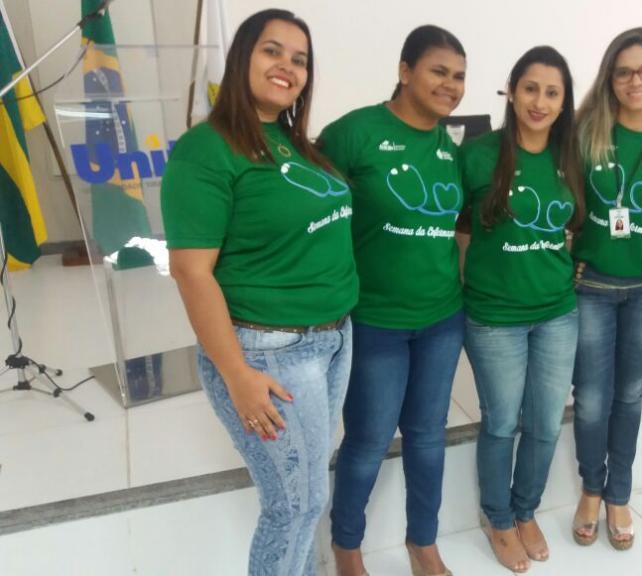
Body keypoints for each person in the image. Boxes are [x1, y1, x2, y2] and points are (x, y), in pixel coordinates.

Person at [162, 9, 356, 576]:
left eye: (299, 59)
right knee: (294, 506)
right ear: (242, 57)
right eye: (272, 51)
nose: (287, 66)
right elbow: (191, 272)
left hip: (332, 339)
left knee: (307, 498)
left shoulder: (294, 142)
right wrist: (236, 374)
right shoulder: (207, 149)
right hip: (270, 352)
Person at [319, 25, 466, 576]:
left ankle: (422, 543)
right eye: (438, 71)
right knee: (369, 439)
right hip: (375, 320)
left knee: (428, 437)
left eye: (459, 77)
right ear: (405, 71)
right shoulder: (353, 134)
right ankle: (347, 547)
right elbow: (311, 212)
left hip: (442, 319)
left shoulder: (449, 148)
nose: (450, 85)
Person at [459, 46, 583, 573]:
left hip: (557, 312)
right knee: (501, 422)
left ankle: (525, 509)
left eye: (552, 93)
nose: (539, 101)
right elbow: (457, 230)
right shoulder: (478, 155)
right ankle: (498, 517)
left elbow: (575, 226)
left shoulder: (569, 156)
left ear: (564, 102)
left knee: (547, 423)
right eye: (530, 88)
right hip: (494, 318)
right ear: (511, 91)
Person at [569, 27, 642, 551]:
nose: (635, 81)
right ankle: (591, 488)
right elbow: (565, 202)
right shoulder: (584, 132)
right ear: (609, 78)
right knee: (591, 399)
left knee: (630, 393)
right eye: (623, 72)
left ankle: (619, 493)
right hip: (591, 284)